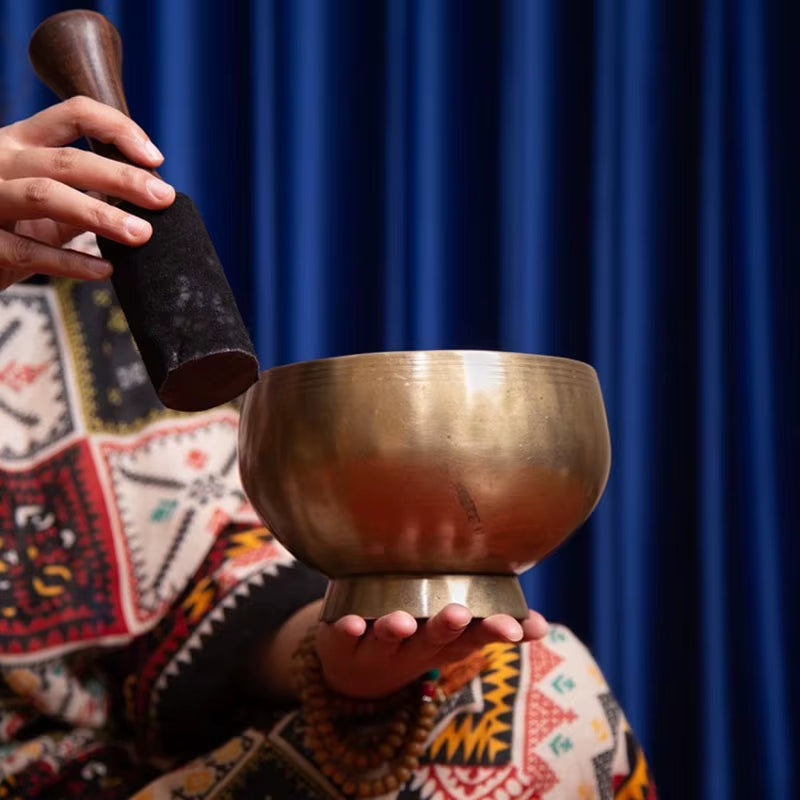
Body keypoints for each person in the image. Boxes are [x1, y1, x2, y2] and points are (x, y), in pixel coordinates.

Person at [0, 98, 656, 798]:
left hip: (108, 777)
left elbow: (198, 585)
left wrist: (346, 658)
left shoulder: (53, 304)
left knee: (536, 687)